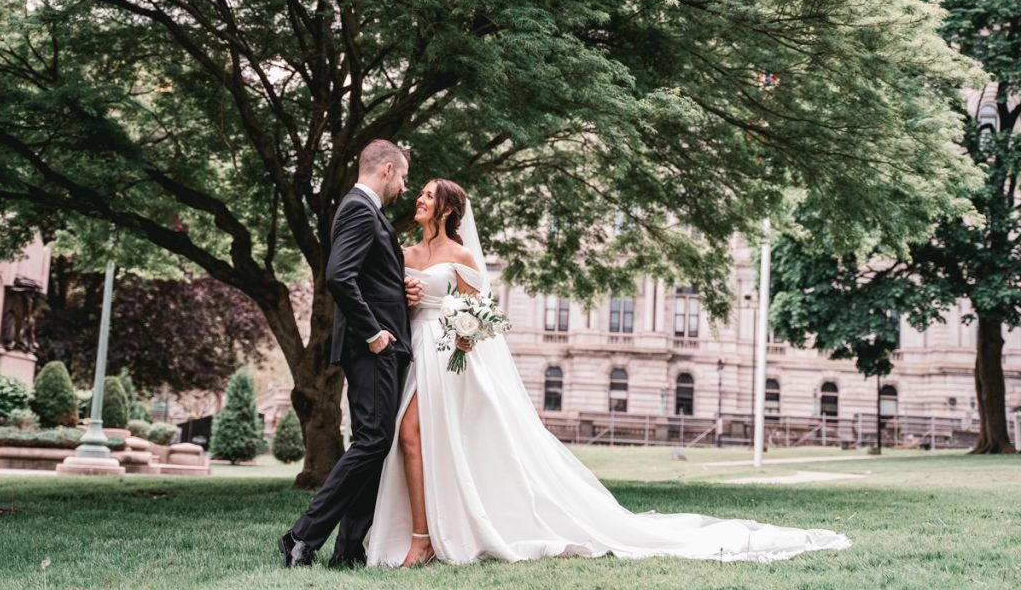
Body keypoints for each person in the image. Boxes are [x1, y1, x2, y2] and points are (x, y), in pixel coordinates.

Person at [364, 178, 851, 567]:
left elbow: (481, 310)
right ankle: (429, 531)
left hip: (450, 358)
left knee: (418, 438)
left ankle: (428, 537)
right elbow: (391, 302)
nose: (419, 199)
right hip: (416, 354)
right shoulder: (406, 253)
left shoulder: (463, 256)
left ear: (447, 209)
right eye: (420, 192)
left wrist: (459, 325)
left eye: (427, 194)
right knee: (416, 442)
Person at [278, 139, 422, 568]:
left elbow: (368, 275)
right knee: (373, 440)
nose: (403, 187)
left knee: (374, 444)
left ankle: (349, 549)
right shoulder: (359, 208)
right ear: (387, 170)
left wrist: (402, 290)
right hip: (373, 348)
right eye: (403, 177)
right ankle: (302, 536)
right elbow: (340, 275)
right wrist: (374, 332)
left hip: (383, 347)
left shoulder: (367, 211)